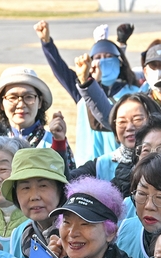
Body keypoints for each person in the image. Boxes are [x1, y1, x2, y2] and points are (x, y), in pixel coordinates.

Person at [35, 22, 142, 165]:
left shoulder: (133, 92)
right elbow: (59, 69)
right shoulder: (82, 90)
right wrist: (47, 43)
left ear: (119, 61)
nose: (103, 61)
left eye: (108, 56)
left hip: (124, 162)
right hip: (88, 163)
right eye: (98, 57)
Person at [0, 147, 67, 258]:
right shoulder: (19, 234)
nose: (34, 196)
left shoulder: (74, 232)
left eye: (43, 186)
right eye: (25, 187)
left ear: (60, 190)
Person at [0, 67, 62, 150]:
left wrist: (59, 143)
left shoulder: (54, 142)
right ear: (1, 104)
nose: (21, 104)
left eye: (29, 97)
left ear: (40, 102)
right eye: (12, 97)